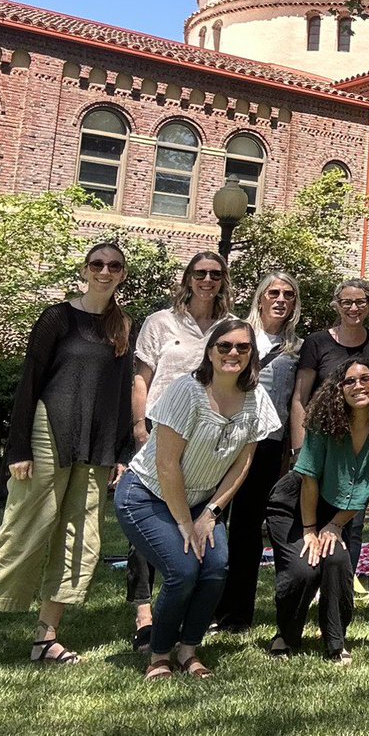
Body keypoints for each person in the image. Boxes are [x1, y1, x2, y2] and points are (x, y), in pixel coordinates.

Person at [0, 244, 134, 686]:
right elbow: (30, 382)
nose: (105, 272)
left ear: (122, 274)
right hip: (49, 434)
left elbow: (120, 393)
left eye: (114, 266)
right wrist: (18, 450)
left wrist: (120, 453)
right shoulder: (57, 318)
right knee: (21, 533)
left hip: (94, 445)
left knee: (79, 540)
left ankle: (46, 639)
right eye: (97, 264)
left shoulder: (123, 324)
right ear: (85, 269)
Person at [115, 320, 280, 680]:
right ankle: (159, 655)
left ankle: (188, 650)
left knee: (216, 568)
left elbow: (243, 463)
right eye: (224, 346)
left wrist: (211, 513)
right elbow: (166, 463)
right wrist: (185, 523)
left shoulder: (256, 399)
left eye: (242, 347)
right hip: (146, 495)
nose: (233, 353)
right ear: (210, 351)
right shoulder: (186, 391)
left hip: (201, 503)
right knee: (183, 570)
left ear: (252, 354)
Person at [265, 359, 369, 663]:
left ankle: (335, 642)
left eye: (365, 378)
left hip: (336, 513)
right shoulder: (323, 422)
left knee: (338, 562)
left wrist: (335, 525)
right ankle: (286, 635)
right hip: (295, 506)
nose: (358, 386)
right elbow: (309, 477)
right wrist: (310, 530)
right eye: (349, 381)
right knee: (304, 569)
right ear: (339, 389)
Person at [127, 250, 234, 651]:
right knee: (147, 525)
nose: (207, 280)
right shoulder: (160, 322)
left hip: (207, 437)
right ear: (187, 279)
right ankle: (144, 616)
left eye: (215, 274)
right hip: (159, 429)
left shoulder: (227, 326)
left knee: (195, 519)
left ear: (223, 281)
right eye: (200, 273)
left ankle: (189, 611)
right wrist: (139, 426)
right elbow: (142, 378)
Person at [211, 272, 302, 633]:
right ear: (260, 297)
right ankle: (206, 606)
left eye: (289, 295)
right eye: (273, 292)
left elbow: (296, 400)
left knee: (247, 530)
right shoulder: (234, 333)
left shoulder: (297, 348)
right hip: (222, 439)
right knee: (212, 521)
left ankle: (236, 615)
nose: (280, 299)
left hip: (266, 446)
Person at [292, 277, 369, 577]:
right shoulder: (317, 342)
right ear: (336, 305)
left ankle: (339, 583)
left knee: (353, 521)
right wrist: (299, 448)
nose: (353, 308)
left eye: (360, 301)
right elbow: (300, 398)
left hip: (358, 447)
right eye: (346, 302)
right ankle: (309, 577)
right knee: (312, 513)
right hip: (321, 445)